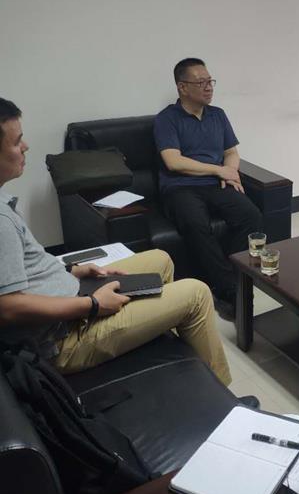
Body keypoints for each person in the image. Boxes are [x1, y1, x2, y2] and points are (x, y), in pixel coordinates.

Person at [0, 97, 234, 389]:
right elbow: (8, 306)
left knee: (160, 258)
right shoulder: (1, 222)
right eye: (16, 142)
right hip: (65, 338)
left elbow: (26, 270)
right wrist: (92, 305)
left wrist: (73, 271)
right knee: (197, 294)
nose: (25, 147)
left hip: (71, 297)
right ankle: (227, 398)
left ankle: (175, 358)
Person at [154, 58, 262, 313]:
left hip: (215, 184)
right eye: (201, 82)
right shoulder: (167, 119)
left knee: (251, 215)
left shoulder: (218, 115)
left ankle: (235, 277)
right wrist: (218, 169)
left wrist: (230, 172)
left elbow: (231, 152)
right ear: (182, 87)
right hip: (180, 187)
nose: (209, 87)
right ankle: (228, 290)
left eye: (210, 81)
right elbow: (173, 161)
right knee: (196, 224)